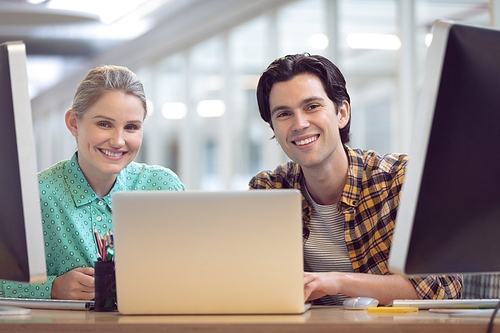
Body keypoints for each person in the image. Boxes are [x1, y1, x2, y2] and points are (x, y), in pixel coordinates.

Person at [249, 53, 462, 305]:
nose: (300, 123)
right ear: (273, 128)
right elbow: (253, 284)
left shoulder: (400, 180)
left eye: (312, 107)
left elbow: (444, 287)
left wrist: (338, 282)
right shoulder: (268, 190)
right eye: (283, 114)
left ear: (342, 113)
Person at [0, 65, 185, 300]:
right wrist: (52, 288)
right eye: (104, 124)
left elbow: (198, 266)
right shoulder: (34, 197)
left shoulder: (163, 187)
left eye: (131, 127)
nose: (118, 141)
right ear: (74, 123)